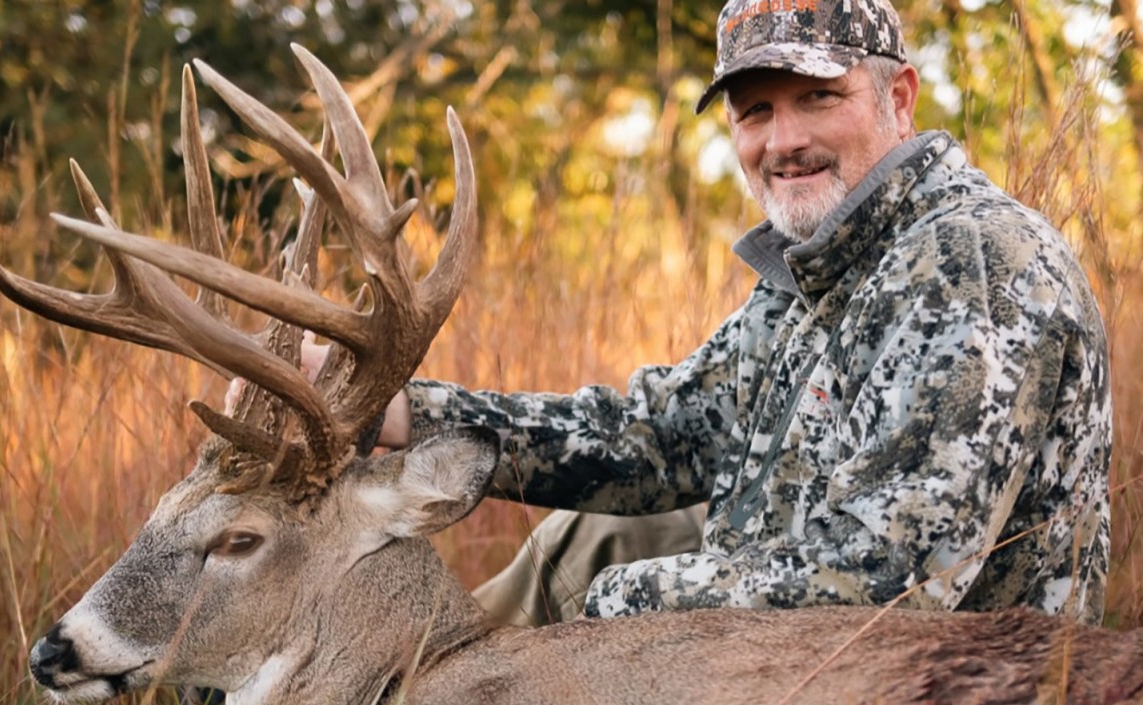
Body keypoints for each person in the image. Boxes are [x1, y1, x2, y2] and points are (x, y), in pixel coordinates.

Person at [380, 0, 1112, 626]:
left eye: (818, 97)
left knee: (609, 577)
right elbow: (661, 438)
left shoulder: (970, 263)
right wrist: (404, 413)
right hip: (779, 669)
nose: (783, 141)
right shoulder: (824, 264)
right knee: (587, 539)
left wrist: (616, 607)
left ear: (899, 99)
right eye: (756, 110)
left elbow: (887, 586)